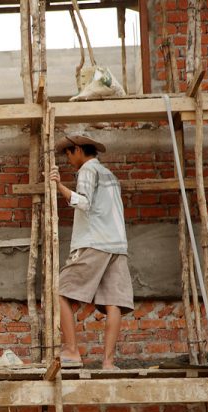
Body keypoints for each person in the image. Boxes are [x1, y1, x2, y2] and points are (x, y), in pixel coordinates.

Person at [50, 132, 134, 370]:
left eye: (68, 153)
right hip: (117, 244)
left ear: (77, 149)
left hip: (95, 242)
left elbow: (84, 202)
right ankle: (108, 362)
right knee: (113, 302)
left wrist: (58, 186)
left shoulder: (88, 170)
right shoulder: (110, 175)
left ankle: (72, 351)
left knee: (60, 291)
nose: (68, 158)